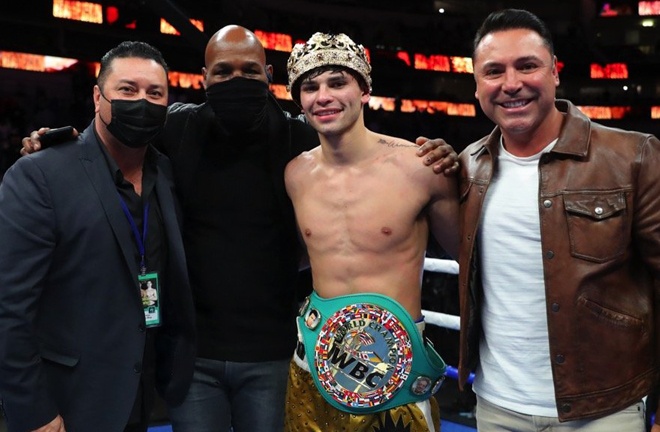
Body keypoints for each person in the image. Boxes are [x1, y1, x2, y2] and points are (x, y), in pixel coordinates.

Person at [20, 25, 459, 432]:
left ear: (268, 76)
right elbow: (114, 135)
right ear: (205, 77)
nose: (236, 80)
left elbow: (359, 157)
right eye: (223, 71)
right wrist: (56, 143)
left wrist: (434, 152)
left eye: (249, 70)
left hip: (278, 351)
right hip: (195, 356)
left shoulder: (301, 144)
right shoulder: (176, 126)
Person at [457, 8, 660, 431]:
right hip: (497, 406)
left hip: (606, 409)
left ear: (554, 72)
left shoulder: (632, 156)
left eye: (526, 65)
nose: (511, 84)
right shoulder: (467, 167)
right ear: (477, 86)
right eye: (494, 71)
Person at [0, 41, 196, 432]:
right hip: (68, 405)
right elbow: (9, 308)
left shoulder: (169, 174)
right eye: (127, 90)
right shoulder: (41, 174)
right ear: (97, 97)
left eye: (154, 93)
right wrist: (34, 412)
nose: (141, 101)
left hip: (145, 399)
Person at [283, 32, 459, 432]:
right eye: (310, 87)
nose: (323, 96)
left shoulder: (420, 167)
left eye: (337, 82)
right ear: (299, 101)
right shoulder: (295, 174)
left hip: (396, 371)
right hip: (312, 360)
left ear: (364, 90)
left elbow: (472, 259)